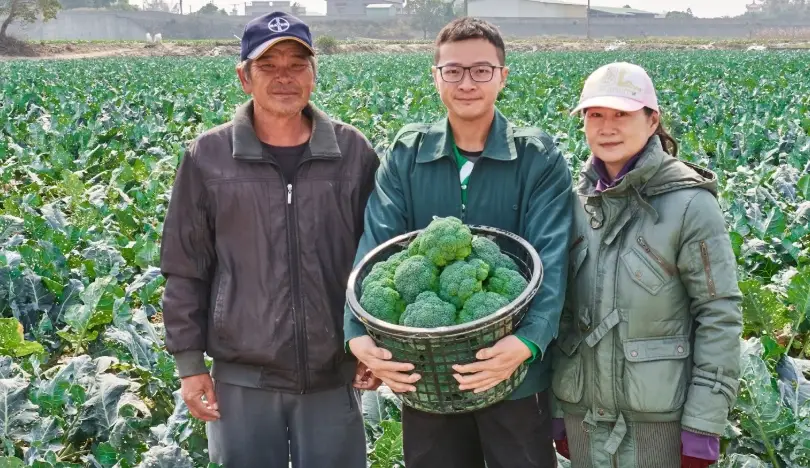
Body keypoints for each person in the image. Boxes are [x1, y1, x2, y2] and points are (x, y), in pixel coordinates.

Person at [345, 17, 573, 468]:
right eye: (453, 70)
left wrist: (526, 343)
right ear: (436, 77)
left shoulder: (537, 157)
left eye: (481, 70)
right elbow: (377, 250)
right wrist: (357, 335)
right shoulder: (408, 154)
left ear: (502, 76)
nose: (466, 82)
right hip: (426, 372)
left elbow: (553, 256)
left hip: (514, 371)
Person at [159, 11, 381, 468]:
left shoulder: (352, 152)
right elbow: (185, 268)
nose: (285, 77)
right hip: (243, 380)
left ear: (314, 75)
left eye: (297, 64)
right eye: (268, 65)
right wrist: (189, 364)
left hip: (332, 373)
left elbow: (378, 263)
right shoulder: (208, 157)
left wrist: (375, 343)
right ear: (244, 77)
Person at [550, 62, 743, 468]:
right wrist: (556, 408)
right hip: (584, 416)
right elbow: (562, 315)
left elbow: (719, 314)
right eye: (595, 115)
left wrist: (704, 424)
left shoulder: (691, 203)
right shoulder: (575, 203)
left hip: (662, 423)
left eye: (622, 114)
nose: (607, 127)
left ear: (652, 120)